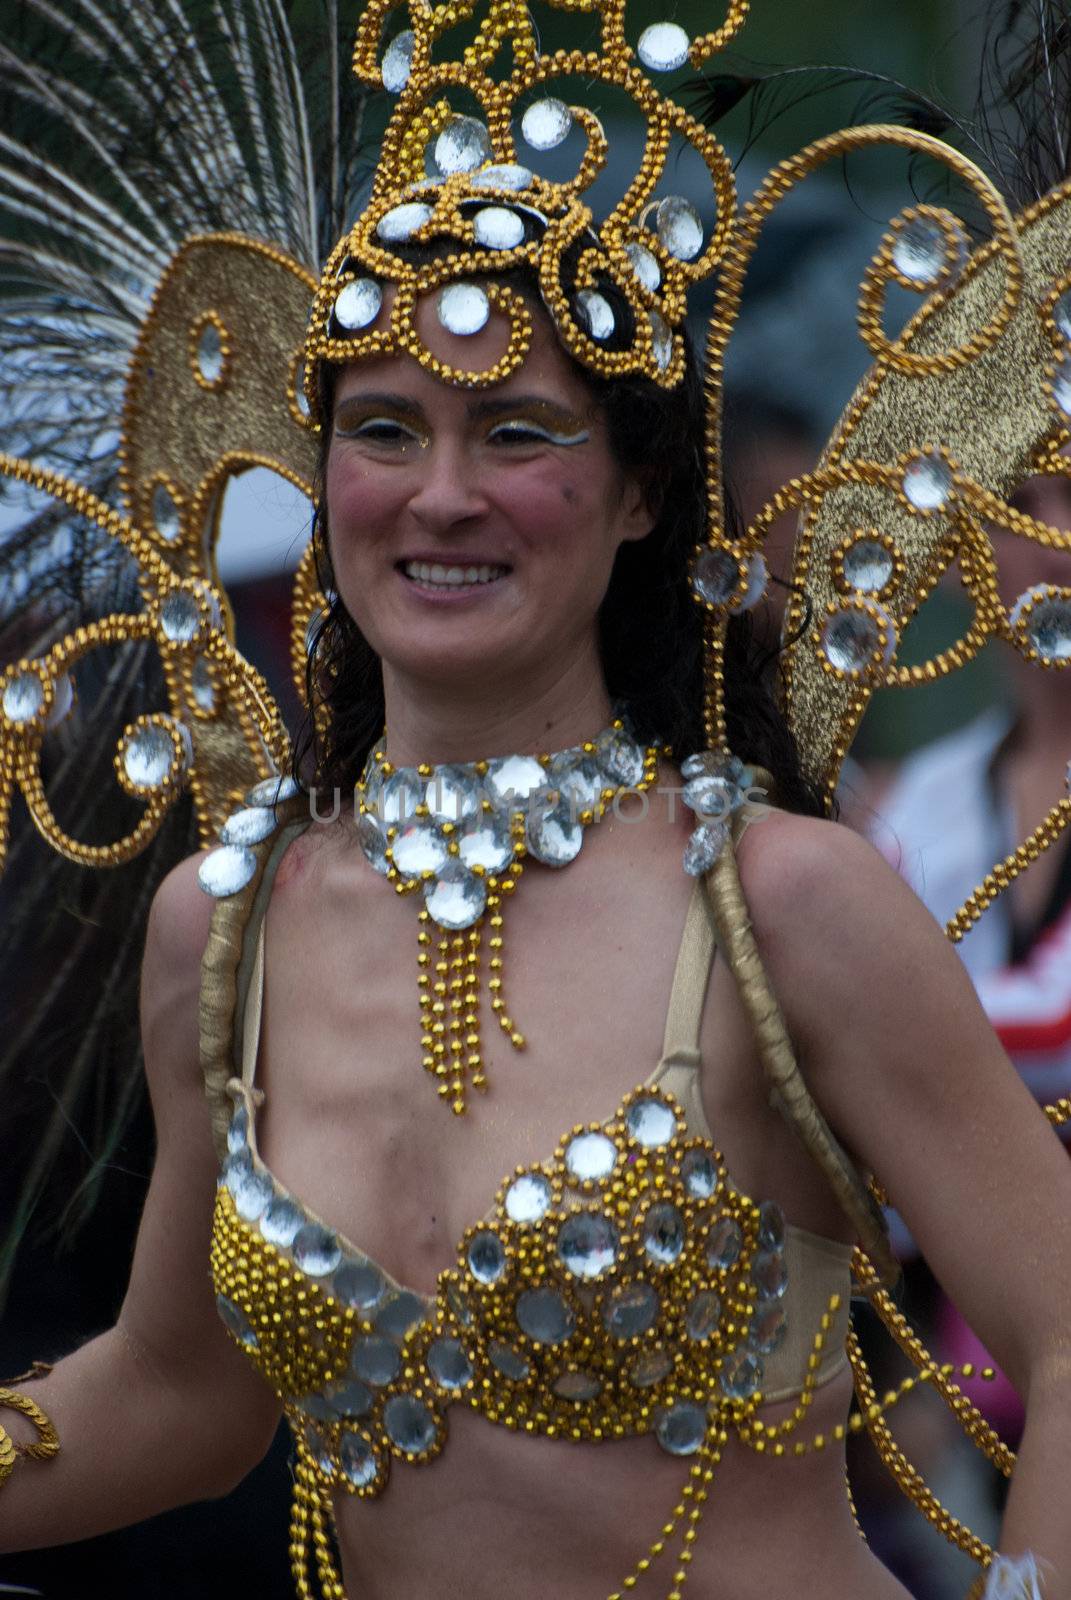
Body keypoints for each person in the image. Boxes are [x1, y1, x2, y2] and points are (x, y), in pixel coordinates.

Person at [1, 3, 1070, 1598]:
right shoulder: (223, 930)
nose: (443, 495)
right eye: (384, 432)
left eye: (517, 433)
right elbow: (183, 1390)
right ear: (323, 480)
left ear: (640, 491)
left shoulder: (783, 903)